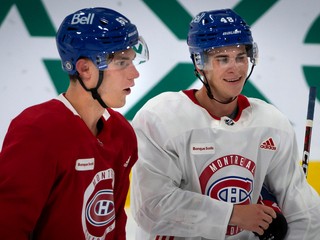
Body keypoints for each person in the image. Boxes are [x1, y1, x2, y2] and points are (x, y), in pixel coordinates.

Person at [130, 8, 320, 240]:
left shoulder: (272, 123)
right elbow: (152, 208)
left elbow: (305, 211)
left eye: (241, 57)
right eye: (223, 59)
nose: (235, 67)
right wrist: (233, 214)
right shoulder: (160, 117)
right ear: (199, 64)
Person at [0, 7, 148, 239]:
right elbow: (8, 228)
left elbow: (114, 224)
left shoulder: (122, 133)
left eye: (132, 60)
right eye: (121, 62)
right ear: (85, 69)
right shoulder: (37, 130)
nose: (134, 73)